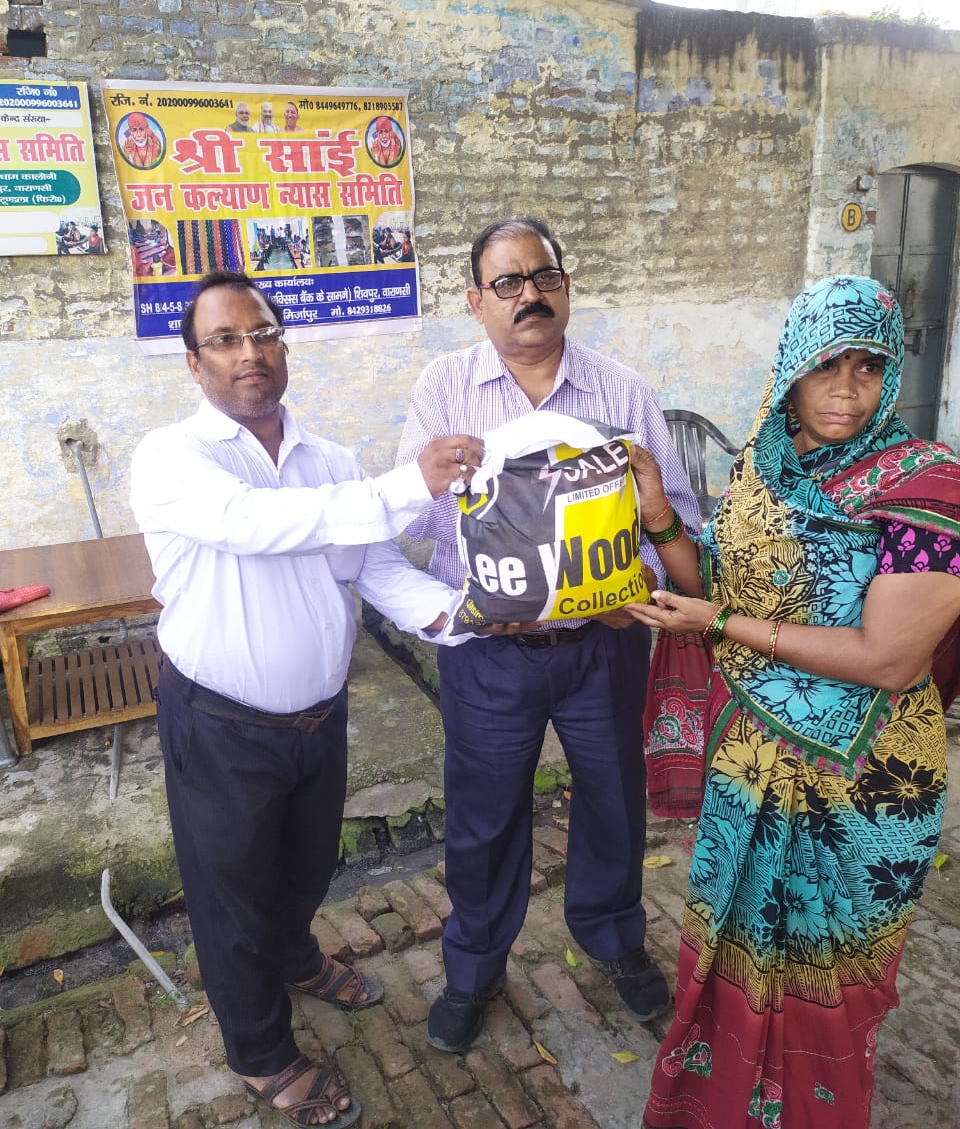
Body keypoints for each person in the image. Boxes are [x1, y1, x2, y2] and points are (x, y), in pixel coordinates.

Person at [130, 271, 483, 1129]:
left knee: (308, 865)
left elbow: (372, 564)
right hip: (221, 723)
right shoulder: (174, 458)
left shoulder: (332, 462)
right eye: (225, 339)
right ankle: (260, 1053)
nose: (249, 352)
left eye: (263, 333)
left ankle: (292, 957)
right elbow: (253, 524)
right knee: (232, 896)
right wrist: (409, 485)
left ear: (284, 345)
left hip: (318, 718)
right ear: (194, 363)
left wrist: (461, 616)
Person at [624, 275, 960, 1129]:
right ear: (791, 370)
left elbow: (890, 660)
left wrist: (720, 623)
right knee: (737, 957)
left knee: (830, 984)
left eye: (868, 366)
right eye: (825, 366)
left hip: (865, 777)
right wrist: (660, 517)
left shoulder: (928, 486)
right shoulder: (761, 469)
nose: (846, 389)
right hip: (752, 762)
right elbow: (712, 586)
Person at [395, 217, 700, 1053]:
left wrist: (633, 581)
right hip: (491, 654)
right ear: (476, 301)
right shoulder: (444, 390)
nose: (528, 295)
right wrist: (484, 551)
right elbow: (418, 518)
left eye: (544, 277)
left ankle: (614, 937)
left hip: (604, 646)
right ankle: (473, 966)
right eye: (507, 283)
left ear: (565, 287)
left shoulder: (621, 392)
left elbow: (674, 514)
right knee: (484, 816)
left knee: (613, 801)